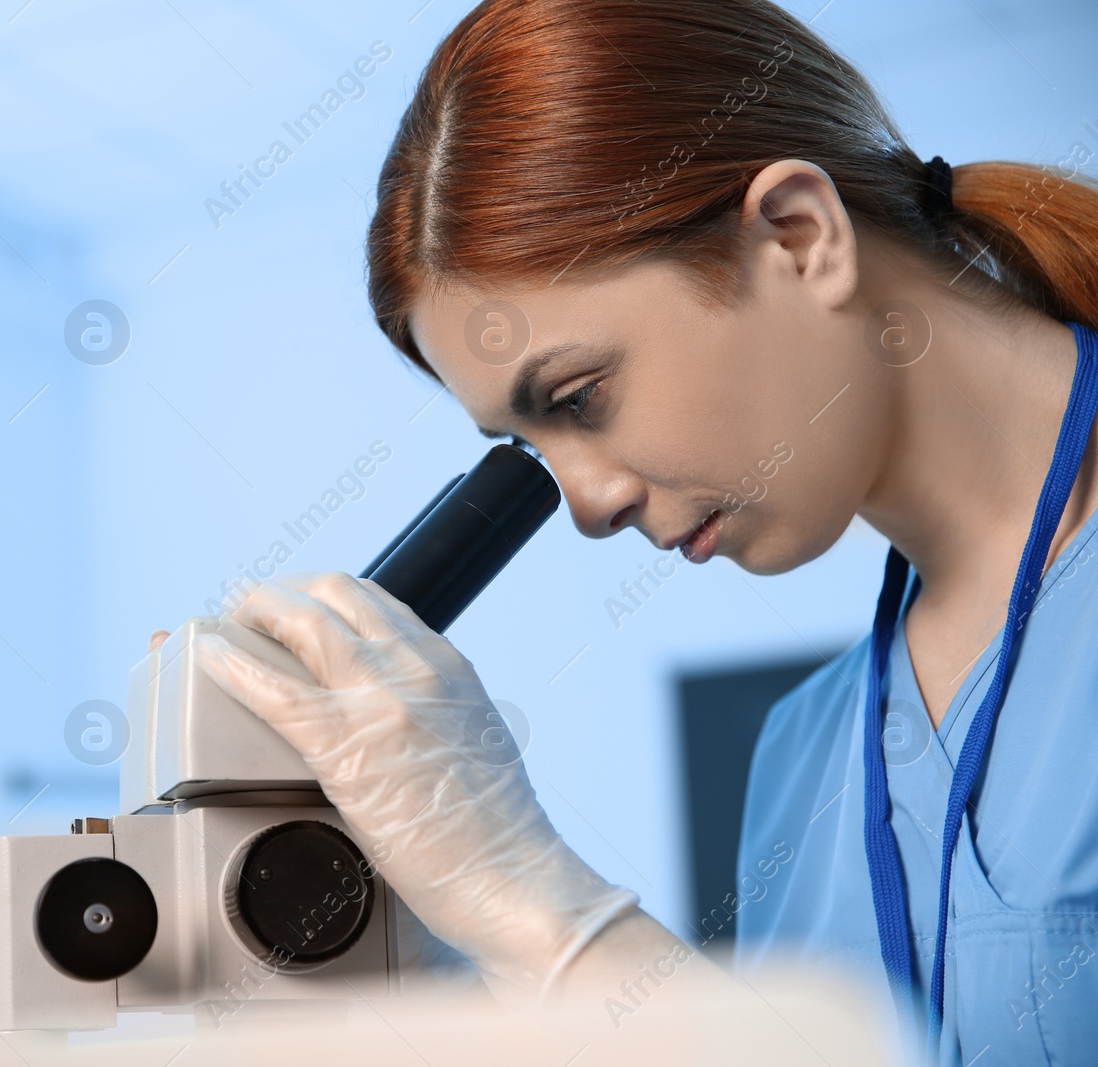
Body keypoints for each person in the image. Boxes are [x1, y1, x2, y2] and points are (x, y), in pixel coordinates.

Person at [150, 1, 1098, 1062]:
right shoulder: (803, 758)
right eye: (530, 448)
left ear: (798, 236)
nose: (588, 505)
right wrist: (454, 958)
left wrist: (549, 908)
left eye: (579, 394)